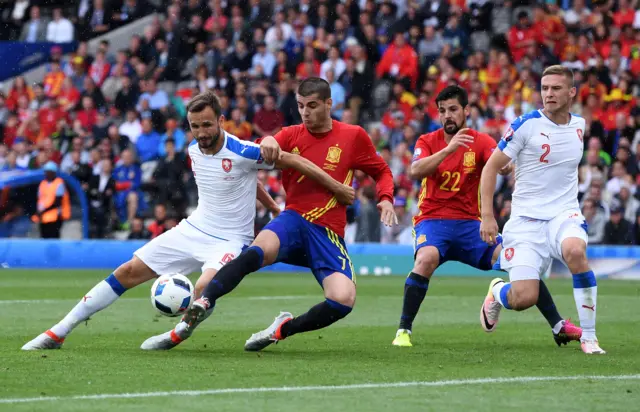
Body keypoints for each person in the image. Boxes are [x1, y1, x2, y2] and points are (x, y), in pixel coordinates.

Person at [22, 90, 354, 350]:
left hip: (229, 240)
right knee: (127, 271)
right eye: (195, 127)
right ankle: (59, 331)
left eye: (207, 125)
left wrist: (335, 186)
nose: (201, 133)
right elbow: (244, 182)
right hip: (194, 228)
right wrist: (271, 205)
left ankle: (178, 334)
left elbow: (291, 161)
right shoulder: (193, 150)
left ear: (221, 121)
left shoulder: (243, 151)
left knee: (203, 288)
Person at [180, 77, 397, 352]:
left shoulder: (353, 136)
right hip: (293, 219)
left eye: (312, 105)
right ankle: (205, 301)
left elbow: (382, 171)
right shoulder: (292, 134)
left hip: (328, 232)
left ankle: (283, 328)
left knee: (343, 300)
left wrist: (386, 199)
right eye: (301, 105)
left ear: (329, 104)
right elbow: (261, 147)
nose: (305, 112)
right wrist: (270, 138)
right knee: (257, 251)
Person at [392, 86, 581, 348]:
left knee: (519, 259)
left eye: (453, 110)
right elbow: (415, 170)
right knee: (426, 258)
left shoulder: (479, 141)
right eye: (443, 111)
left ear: (466, 111)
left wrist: (505, 166)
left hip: (472, 225)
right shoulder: (427, 141)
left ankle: (558, 326)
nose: (448, 116)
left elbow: (501, 163)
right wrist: (449, 149)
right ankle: (404, 331)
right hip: (432, 221)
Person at [479, 65, 605, 355]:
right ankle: (497, 290)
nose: (548, 93)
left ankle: (589, 337)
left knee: (575, 251)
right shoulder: (525, 125)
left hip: (564, 214)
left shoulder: (580, 125)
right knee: (523, 297)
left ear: (571, 93)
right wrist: (488, 215)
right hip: (525, 222)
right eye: (545, 88)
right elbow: (490, 169)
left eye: (556, 88)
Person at [32, 161, 71, 239]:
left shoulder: (59, 183)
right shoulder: (43, 183)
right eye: (45, 172)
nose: (46, 174)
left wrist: (43, 211)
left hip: (55, 217)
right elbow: (40, 199)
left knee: (53, 239)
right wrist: (39, 212)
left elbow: (57, 202)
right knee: (44, 239)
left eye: (48, 172)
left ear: (53, 172)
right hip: (43, 217)